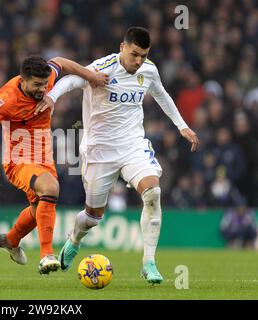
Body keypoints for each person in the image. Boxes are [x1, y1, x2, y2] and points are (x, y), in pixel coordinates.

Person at [36, 27, 200, 284]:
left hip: (132, 145)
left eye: (143, 56)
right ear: (122, 47)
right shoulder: (104, 67)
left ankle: (149, 262)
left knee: (153, 192)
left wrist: (182, 126)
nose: (138, 61)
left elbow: (161, 95)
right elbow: (70, 80)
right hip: (99, 151)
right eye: (135, 54)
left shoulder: (149, 70)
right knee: (92, 218)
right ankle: (75, 239)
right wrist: (52, 97)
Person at [0, 55, 108, 274]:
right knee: (51, 189)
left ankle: (11, 240)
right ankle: (46, 254)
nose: (43, 89)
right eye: (37, 85)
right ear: (23, 80)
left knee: (37, 208)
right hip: (18, 161)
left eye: (45, 84)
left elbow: (61, 62)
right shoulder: (8, 99)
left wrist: (91, 76)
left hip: (44, 157)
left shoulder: (46, 77)